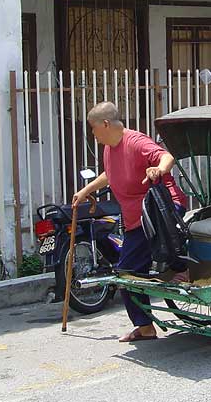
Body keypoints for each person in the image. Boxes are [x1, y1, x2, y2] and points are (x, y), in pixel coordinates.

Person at [72, 102, 187, 343]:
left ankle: (179, 269)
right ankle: (145, 325)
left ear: (105, 124)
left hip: (160, 211)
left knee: (127, 271)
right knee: (130, 271)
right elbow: (110, 174)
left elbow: (166, 156)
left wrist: (158, 169)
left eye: (93, 129)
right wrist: (87, 189)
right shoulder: (109, 148)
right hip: (137, 218)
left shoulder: (135, 141)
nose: (92, 134)